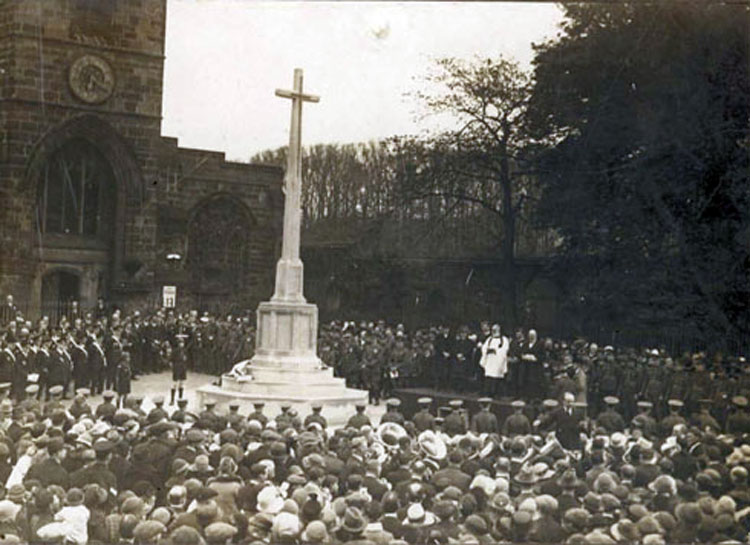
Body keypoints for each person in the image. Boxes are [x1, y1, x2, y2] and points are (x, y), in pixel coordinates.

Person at [479, 324, 510, 397]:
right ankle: (487, 393)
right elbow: (484, 348)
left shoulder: (504, 339)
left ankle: (497, 394)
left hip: (498, 361)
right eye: (493, 330)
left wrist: (496, 351)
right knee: (489, 377)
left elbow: (505, 349)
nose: (494, 331)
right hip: (490, 361)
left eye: (495, 330)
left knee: (498, 377)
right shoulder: (489, 339)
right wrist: (488, 351)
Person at [171, 336, 188, 405]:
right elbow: (171, 359)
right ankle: (172, 400)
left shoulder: (184, 350)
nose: (182, 344)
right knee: (174, 384)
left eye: (183, 342)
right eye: (180, 342)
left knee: (181, 383)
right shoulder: (175, 351)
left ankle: (180, 398)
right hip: (177, 367)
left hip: (183, 367)